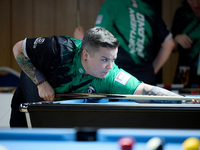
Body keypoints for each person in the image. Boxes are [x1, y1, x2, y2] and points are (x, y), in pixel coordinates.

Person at [10, 27, 195, 128]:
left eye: (113, 59)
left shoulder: (112, 74)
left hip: (61, 112)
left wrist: (183, 101)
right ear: (85, 55)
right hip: (33, 91)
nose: (110, 65)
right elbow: (18, 48)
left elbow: (145, 90)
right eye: (104, 59)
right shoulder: (59, 49)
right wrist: (41, 82)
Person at [74, 0, 175, 85]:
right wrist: (152, 71)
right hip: (146, 79)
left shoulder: (111, 4)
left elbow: (98, 43)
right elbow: (169, 44)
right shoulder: (149, 10)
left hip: (119, 78)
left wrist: (81, 39)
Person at [172, 0, 200, 87]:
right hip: (185, 72)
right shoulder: (182, 14)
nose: (195, 3)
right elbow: (170, 47)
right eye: (191, 0)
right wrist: (176, 39)